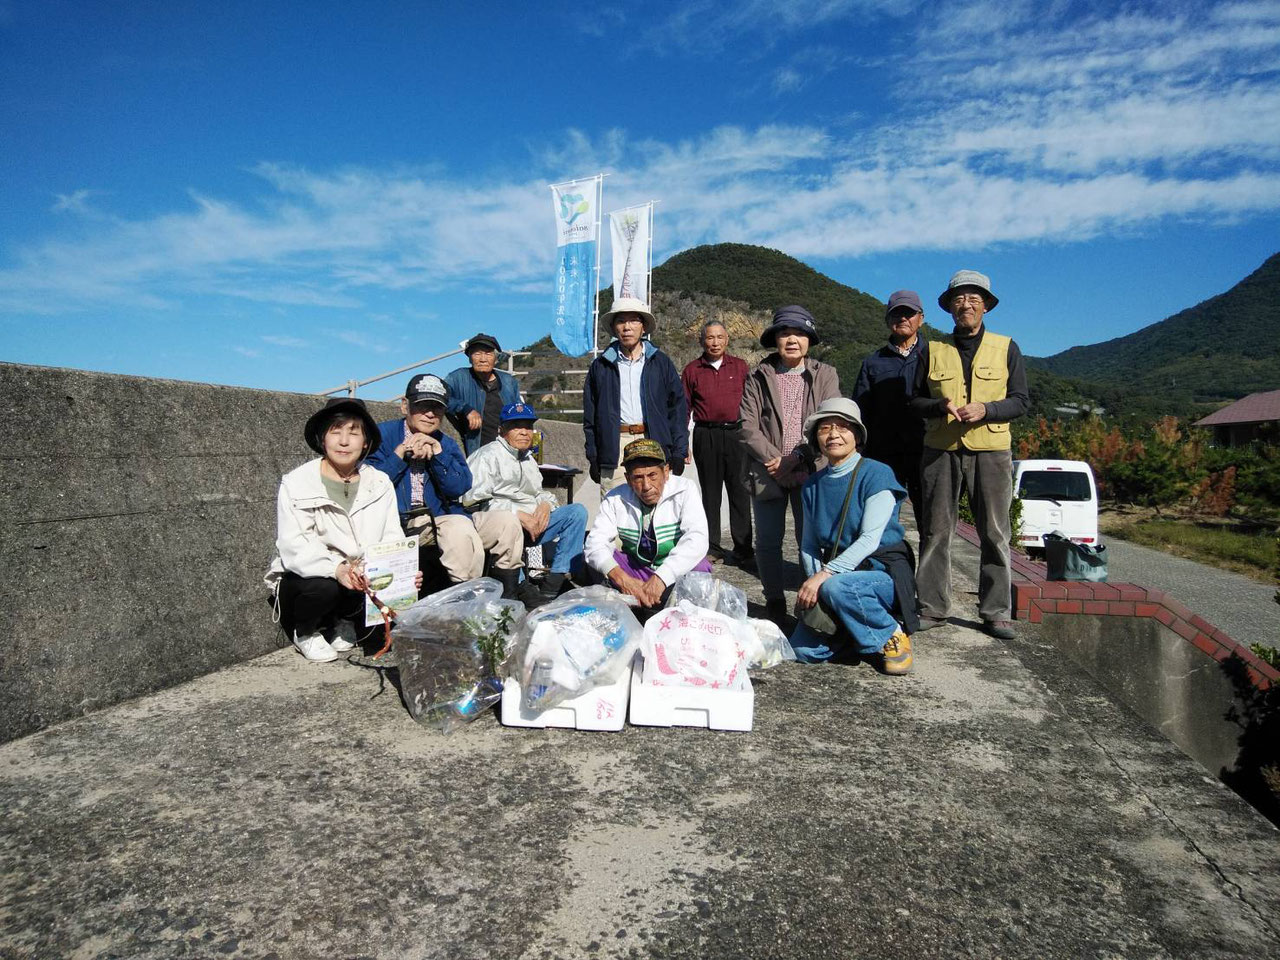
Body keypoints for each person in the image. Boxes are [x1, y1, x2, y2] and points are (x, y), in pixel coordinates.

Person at [909, 270, 1030, 640]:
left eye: (974, 298)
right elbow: (913, 400)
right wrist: (938, 405)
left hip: (992, 451)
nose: (967, 304)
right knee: (935, 531)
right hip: (940, 449)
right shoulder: (931, 349)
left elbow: (1021, 401)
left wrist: (987, 410)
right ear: (950, 308)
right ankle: (933, 607)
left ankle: (996, 612)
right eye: (960, 298)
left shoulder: (1006, 346)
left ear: (986, 306)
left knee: (995, 533)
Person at [265, 398, 423, 663]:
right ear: (322, 438)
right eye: (335, 431)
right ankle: (304, 631)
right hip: (309, 575)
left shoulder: (380, 481)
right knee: (322, 588)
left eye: (354, 432)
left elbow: (392, 536)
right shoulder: (297, 483)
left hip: (359, 573)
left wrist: (398, 571)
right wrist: (338, 569)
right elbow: (294, 546)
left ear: (365, 442)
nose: (344, 441)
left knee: (408, 572)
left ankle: (345, 621)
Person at [366, 373, 526, 598]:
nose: (430, 414)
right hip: (402, 520)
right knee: (458, 528)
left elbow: (460, 487)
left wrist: (438, 454)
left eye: (437, 408)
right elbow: (369, 486)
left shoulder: (446, 443)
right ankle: (470, 602)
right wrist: (401, 453)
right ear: (405, 406)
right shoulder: (380, 436)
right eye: (422, 406)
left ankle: (507, 598)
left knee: (506, 522)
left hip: (443, 516)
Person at [789, 398, 916, 674]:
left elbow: (870, 539)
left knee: (839, 587)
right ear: (816, 439)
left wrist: (823, 578)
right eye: (825, 429)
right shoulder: (812, 485)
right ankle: (857, 636)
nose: (833, 434)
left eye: (843, 427)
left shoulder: (877, 474)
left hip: (879, 573)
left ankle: (890, 633)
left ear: (857, 436)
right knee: (801, 650)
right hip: (835, 576)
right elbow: (809, 544)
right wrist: (814, 585)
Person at [738, 305, 841, 627]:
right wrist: (776, 461)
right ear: (775, 339)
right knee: (768, 541)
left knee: (811, 540)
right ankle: (774, 600)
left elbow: (830, 421)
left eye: (799, 333)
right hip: (767, 470)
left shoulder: (826, 374)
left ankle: (813, 602)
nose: (792, 339)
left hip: (811, 469)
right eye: (785, 333)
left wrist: (796, 458)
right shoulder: (758, 375)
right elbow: (746, 426)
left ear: (809, 339)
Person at [463, 402, 588, 605]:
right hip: (504, 527)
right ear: (501, 430)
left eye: (528, 426)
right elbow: (474, 502)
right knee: (509, 525)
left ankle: (554, 582)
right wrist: (517, 514)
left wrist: (545, 506)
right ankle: (521, 585)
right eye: (516, 426)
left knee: (577, 512)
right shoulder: (487, 456)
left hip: (533, 525)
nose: (524, 432)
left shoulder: (528, 459)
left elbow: (539, 493)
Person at [584, 438, 711, 611]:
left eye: (652, 475)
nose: (646, 486)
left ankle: (644, 603)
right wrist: (622, 579)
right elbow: (595, 543)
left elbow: (697, 539)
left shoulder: (685, 489)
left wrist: (662, 577)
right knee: (596, 560)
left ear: (666, 472)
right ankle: (640, 601)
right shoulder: (614, 498)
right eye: (638, 478)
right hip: (637, 572)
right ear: (628, 479)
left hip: (672, 572)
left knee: (700, 567)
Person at [582, 297, 688, 494]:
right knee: (615, 505)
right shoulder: (600, 366)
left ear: (643, 327)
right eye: (621, 321)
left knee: (655, 504)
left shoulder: (661, 362)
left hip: (653, 439)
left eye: (633, 321)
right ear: (614, 328)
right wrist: (594, 456)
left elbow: (678, 410)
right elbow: (590, 417)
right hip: (615, 443)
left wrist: (679, 452)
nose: (627, 327)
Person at [681, 320, 754, 566]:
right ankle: (712, 547)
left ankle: (743, 549)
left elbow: (752, 403)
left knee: (740, 492)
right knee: (710, 494)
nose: (715, 342)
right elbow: (684, 408)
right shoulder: (692, 370)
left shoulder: (741, 366)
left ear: (727, 340)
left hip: (736, 435)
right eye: (710, 338)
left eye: (720, 337)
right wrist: (683, 442)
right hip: (705, 434)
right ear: (702, 341)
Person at [852, 289, 927, 508]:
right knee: (882, 513)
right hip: (883, 453)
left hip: (925, 451)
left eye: (909, 313)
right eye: (896, 314)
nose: (903, 318)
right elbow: (860, 409)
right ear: (887, 320)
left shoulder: (936, 356)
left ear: (921, 319)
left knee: (928, 516)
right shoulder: (872, 362)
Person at [445, 332, 522, 456]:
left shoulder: (509, 381)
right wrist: (465, 408)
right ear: (470, 358)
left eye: (488, 353)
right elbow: (440, 397)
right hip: (477, 453)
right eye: (477, 353)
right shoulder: (458, 378)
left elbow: (519, 412)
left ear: (496, 359)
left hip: (507, 451)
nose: (482, 359)